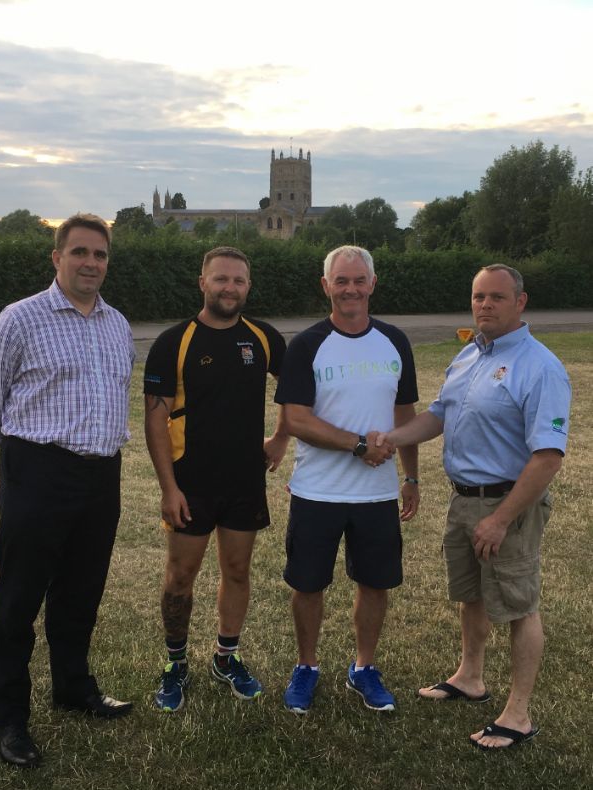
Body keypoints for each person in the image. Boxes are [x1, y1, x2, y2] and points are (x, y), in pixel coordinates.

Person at [377, 264, 570, 751]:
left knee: (519, 606)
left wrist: (501, 519)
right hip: (464, 500)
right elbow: (440, 414)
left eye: (497, 297)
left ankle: (519, 714)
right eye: (478, 296)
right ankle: (470, 677)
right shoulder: (468, 355)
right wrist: (390, 439)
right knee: (472, 594)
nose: (485, 305)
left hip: (509, 504)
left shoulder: (540, 366)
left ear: (520, 303)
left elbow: (548, 457)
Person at [0, 214, 136, 768]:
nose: (91, 263)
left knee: (81, 593)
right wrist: (27, 456)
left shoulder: (117, 324)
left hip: (101, 474)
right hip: (38, 472)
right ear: (56, 257)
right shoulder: (20, 319)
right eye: (80, 252)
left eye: (101, 254)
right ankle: (10, 717)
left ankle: (73, 687)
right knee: (20, 598)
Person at [274, 245, 419, 714]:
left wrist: (411, 476)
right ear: (326, 286)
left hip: (377, 495)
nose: (350, 289)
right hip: (318, 491)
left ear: (373, 284)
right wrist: (358, 444)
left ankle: (364, 668)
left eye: (359, 280)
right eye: (341, 280)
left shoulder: (395, 341)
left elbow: (405, 412)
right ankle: (307, 666)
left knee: (375, 584)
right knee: (308, 585)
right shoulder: (307, 345)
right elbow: (295, 419)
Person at [144, 246, 288, 712]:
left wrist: (281, 438)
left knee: (238, 571)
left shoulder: (264, 339)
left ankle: (226, 657)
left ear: (249, 286)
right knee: (181, 574)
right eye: (221, 279)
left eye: (239, 281)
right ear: (202, 282)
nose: (230, 288)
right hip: (191, 484)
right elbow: (155, 419)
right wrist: (169, 488)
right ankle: (175, 663)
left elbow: (296, 394)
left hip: (245, 482)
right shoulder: (174, 341)